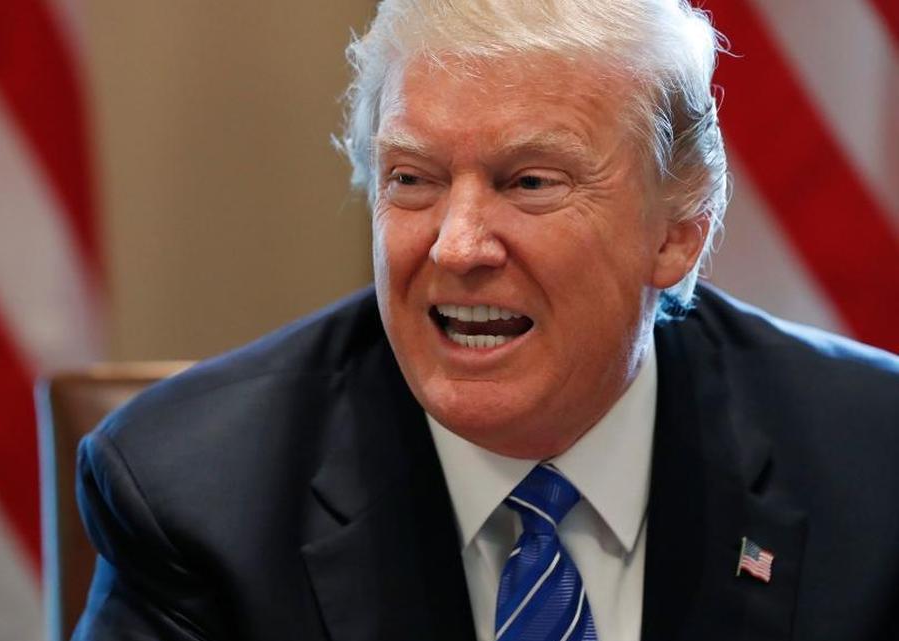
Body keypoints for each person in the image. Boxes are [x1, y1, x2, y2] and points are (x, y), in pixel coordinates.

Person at [72, 1, 899, 639]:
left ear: (678, 229)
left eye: (529, 182)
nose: (458, 245)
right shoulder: (196, 497)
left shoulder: (874, 464)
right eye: (412, 180)